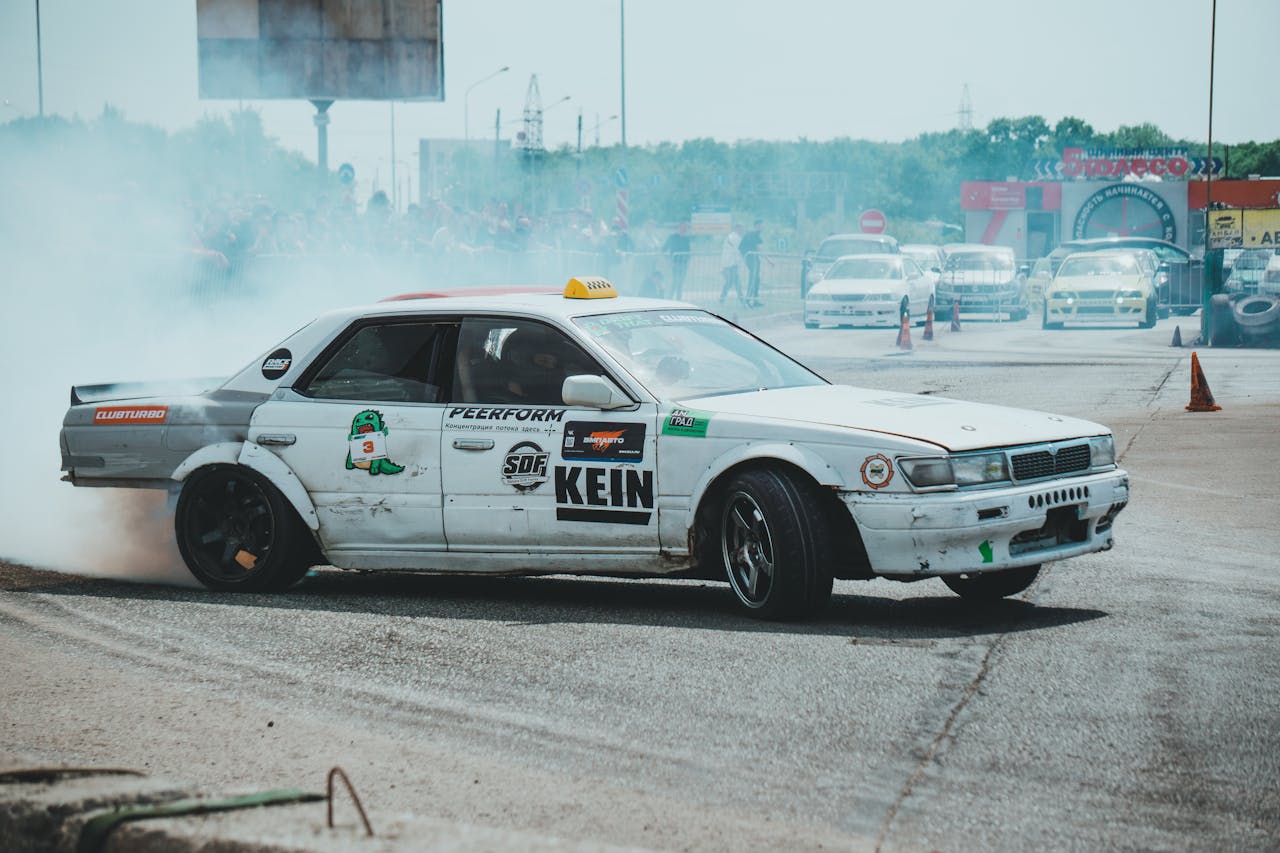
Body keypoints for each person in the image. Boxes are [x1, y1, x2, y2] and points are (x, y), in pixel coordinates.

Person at [662, 221, 692, 300]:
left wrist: (688, 262)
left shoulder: (686, 239)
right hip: (675, 263)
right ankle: (670, 298)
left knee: (681, 283)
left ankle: (679, 299)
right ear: (679, 228)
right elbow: (664, 249)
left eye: (685, 228)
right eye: (682, 227)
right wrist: (668, 260)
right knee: (675, 282)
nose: (684, 229)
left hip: (684, 264)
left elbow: (689, 252)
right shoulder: (672, 237)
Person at [739, 218, 765, 307]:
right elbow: (759, 249)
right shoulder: (753, 234)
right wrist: (770, 260)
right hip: (752, 259)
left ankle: (755, 300)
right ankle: (748, 300)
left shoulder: (751, 234)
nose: (763, 227)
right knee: (753, 279)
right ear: (757, 226)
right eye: (762, 225)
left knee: (756, 279)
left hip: (752, 259)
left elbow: (741, 247)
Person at [719, 224, 745, 305]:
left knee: (731, 282)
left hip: (731, 263)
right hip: (730, 263)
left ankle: (722, 298)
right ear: (736, 229)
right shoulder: (734, 237)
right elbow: (740, 249)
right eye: (741, 229)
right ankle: (741, 299)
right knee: (733, 282)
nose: (742, 231)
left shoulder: (732, 237)